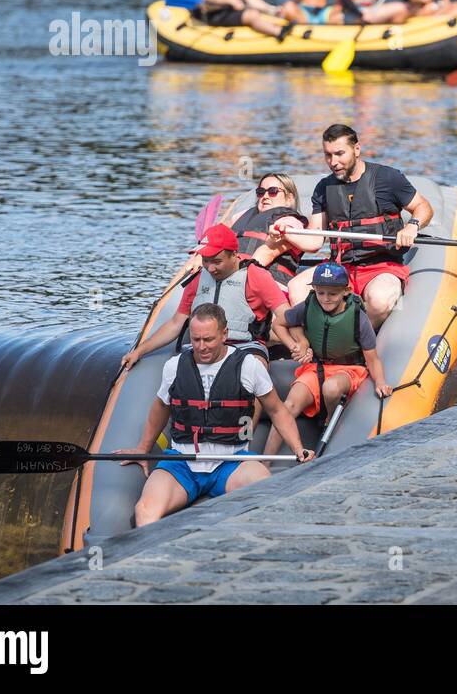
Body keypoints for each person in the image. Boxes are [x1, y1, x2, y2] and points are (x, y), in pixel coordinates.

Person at [116, 304, 312, 527]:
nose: (202, 347)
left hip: (231, 461)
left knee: (266, 492)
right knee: (145, 510)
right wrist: (143, 448)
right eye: (196, 339)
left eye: (208, 339)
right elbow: (160, 407)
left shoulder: (248, 366)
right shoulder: (174, 366)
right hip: (182, 462)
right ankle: (154, 560)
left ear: (224, 334)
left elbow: (277, 410)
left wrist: (298, 449)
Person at [279, 124, 432, 330]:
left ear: (357, 149)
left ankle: (355, 343)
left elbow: (423, 207)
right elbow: (315, 239)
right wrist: (286, 233)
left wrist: (412, 226)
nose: (333, 162)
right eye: (328, 155)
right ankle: (316, 343)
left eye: (339, 154)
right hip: (340, 266)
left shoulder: (388, 178)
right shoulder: (324, 188)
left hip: (381, 266)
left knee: (379, 300)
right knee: (296, 287)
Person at [119, 224, 297, 372]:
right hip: (204, 348)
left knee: (255, 370)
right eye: (206, 260)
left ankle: (247, 416)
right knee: (173, 371)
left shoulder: (256, 275)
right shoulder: (197, 279)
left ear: (234, 255)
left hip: (245, 346)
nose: (210, 268)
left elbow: (286, 314)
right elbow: (175, 324)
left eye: (217, 261)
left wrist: (301, 345)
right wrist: (139, 351)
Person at [263, 263, 392, 456]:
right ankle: (265, 460)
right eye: (321, 292)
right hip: (316, 368)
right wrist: (295, 345)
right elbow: (278, 324)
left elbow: (372, 359)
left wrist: (380, 382)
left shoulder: (358, 317)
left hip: (348, 370)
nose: (325, 299)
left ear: (346, 292)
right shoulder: (309, 305)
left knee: (330, 388)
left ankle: (330, 419)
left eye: (332, 294)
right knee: (288, 405)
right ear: (314, 290)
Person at [228, 173, 319, 290]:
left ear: (289, 198)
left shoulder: (289, 221)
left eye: (273, 191)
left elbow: (309, 243)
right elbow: (217, 234)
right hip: (232, 278)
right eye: (261, 192)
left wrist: (284, 232)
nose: (265, 196)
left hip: (272, 284)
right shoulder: (240, 216)